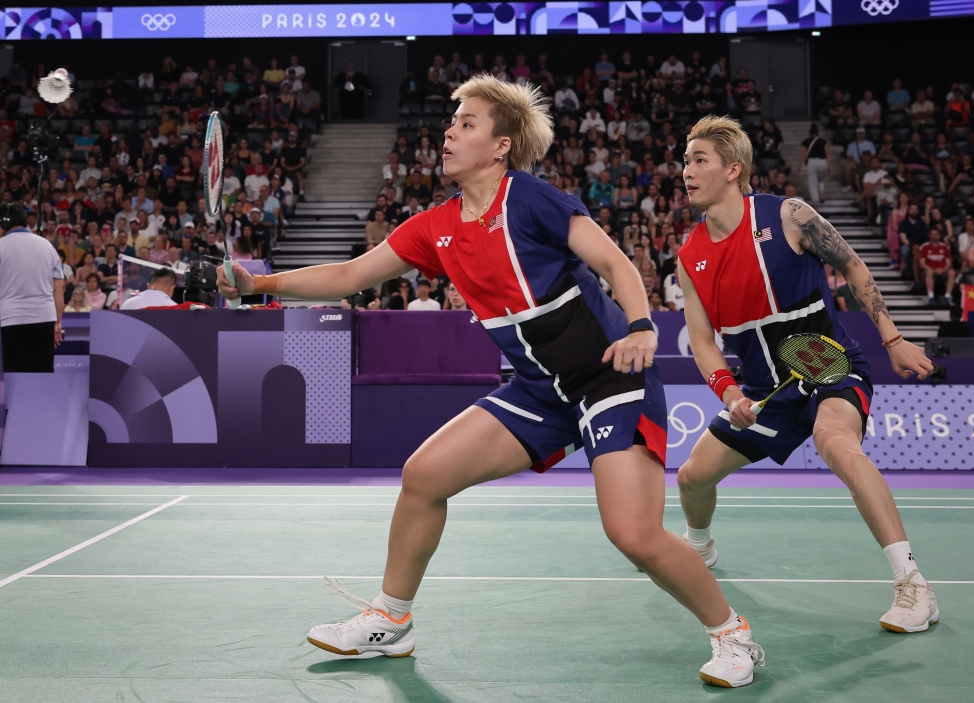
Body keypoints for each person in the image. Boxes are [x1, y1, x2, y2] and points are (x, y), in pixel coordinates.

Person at [218, 75, 759, 688]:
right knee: (424, 475)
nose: (449, 131)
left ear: (501, 146)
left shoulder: (531, 199)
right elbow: (348, 275)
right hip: (537, 390)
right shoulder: (437, 226)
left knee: (632, 533)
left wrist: (641, 327)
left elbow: (614, 261)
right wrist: (259, 287)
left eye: (467, 123)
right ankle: (391, 619)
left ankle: (733, 635)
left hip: (610, 377)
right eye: (451, 122)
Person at [674, 116, 939, 640]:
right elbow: (702, 341)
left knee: (835, 442)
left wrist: (893, 339)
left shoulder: (788, 215)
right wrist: (727, 393)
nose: (686, 171)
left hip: (826, 368)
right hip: (764, 390)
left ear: (734, 169)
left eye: (698, 159)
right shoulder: (690, 256)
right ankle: (700, 545)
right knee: (691, 477)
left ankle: (913, 584)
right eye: (684, 161)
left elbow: (855, 267)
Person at [0, 204, 64, 372]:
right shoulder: (47, 246)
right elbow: (59, 286)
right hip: (44, 317)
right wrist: (58, 322)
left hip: (11, 318)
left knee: (16, 372)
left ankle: (19, 399)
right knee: (42, 372)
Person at [919, 228, 956, 306]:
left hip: (942, 270)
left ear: (939, 236)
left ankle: (947, 297)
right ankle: (931, 297)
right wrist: (934, 270)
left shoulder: (945, 247)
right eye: (932, 234)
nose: (934, 236)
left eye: (936, 234)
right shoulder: (924, 247)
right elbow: (922, 263)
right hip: (930, 270)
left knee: (952, 272)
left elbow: (948, 263)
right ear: (929, 235)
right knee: (929, 271)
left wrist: (943, 270)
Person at [798, 124, 830, 205]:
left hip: (812, 162)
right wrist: (829, 165)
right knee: (820, 179)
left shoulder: (806, 141)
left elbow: (802, 154)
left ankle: (816, 201)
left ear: (809, 133)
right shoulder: (823, 141)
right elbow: (828, 154)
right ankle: (821, 193)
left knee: (812, 182)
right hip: (823, 162)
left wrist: (799, 166)